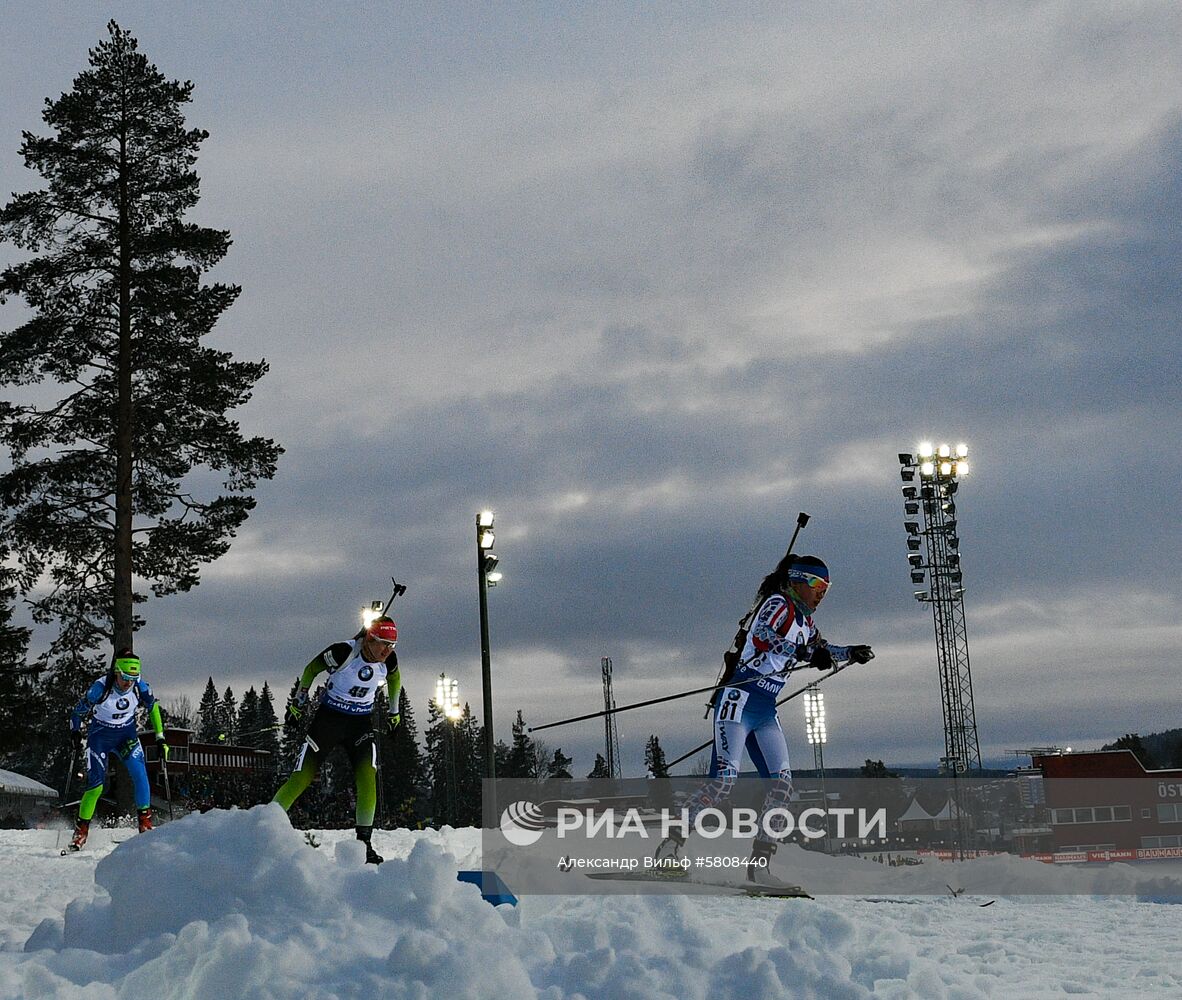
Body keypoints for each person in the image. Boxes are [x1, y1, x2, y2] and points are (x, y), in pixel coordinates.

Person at [655, 554, 874, 888]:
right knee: (723, 782)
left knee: (782, 788)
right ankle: (669, 847)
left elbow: (822, 649)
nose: (821, 594)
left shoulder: (806, 622)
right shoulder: (778, 603)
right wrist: (804, 653)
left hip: (765, 709)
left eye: (827, 589)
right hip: (738, 700)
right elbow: (763, 637)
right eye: (817, 585)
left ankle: (759, 865)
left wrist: (850, 652)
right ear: (798, 580)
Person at [272, 615, 401, 864]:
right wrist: (298, 704)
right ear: (368, 639)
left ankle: (364, 844)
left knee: (367, 779)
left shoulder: (390, 659)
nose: (387, 651)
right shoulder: (343, 652)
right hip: (329, 721)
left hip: (359, 724)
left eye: (392, 645)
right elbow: (311, 669)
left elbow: (395, 679)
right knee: (301, 777)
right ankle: (264, 828)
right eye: (383, 643)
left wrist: (395, 713)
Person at [66, 650, 169, 852]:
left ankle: (145, 826)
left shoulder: (140, 686)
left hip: (126, 736)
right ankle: (81, 831)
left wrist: (160, 737)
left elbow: (153, 708)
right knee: (96, 786)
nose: (128, 683)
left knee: (141, 777)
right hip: (100, 737)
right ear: (116, 672)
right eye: (124, 678)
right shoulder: (99, 688)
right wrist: (75, 733)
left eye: (132, 678)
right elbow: (77, 713)